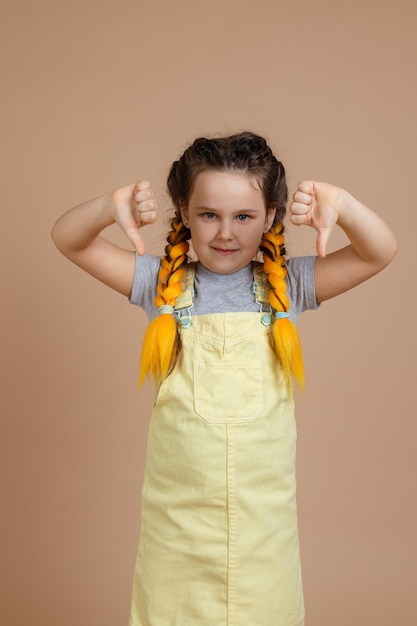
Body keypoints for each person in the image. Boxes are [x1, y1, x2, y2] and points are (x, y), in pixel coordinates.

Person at [51, 132, 397, 626]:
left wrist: (342, 205)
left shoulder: (291, 286)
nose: (225, 233)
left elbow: (378, 251)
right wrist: (111, 207)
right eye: (209, 215)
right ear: (184, 214)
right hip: (178, 526)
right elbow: (69, 238)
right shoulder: (159, 285)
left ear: (272, 216)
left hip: (263, 529)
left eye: (244, 216)